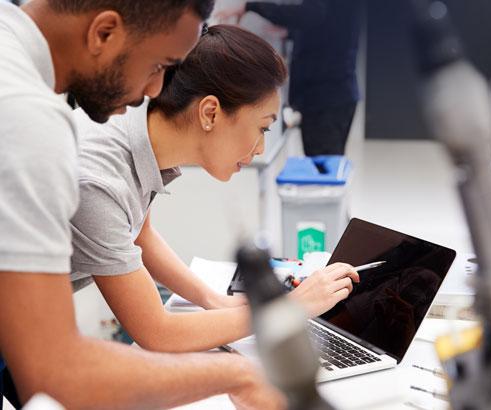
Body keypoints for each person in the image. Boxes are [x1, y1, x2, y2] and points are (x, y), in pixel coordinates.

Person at [0, 1, 288, 409]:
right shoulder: (34, 123)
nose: (155, 91)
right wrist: (241, 372)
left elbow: (139, 233)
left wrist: (213, 300)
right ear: (104, 32)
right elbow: (56, 371)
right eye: (158, 66)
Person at [69, 24, 360, 354]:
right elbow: (158, 332)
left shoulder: (135, 123)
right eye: (263, 128)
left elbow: (139, 233)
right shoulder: (101, 178)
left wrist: (211, 299)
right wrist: (290, 308)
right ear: (210, 113)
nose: (261, 148)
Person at [218, 0, 362, 156]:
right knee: (327, 162)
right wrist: (290, 33)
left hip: (326, 98)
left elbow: (311, 14)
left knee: (323, 163)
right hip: (333, 94)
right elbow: (328, 26)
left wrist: (250, 6)